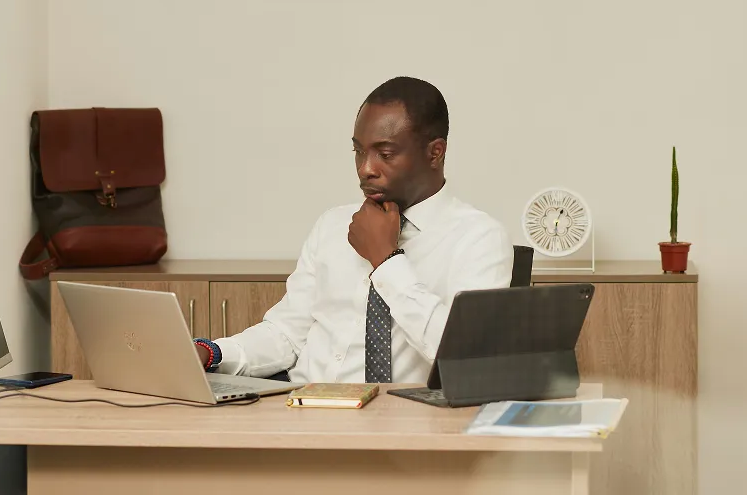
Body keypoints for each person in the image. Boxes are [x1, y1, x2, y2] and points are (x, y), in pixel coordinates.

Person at [192, 76, 513, 384]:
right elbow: (287, 334)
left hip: (405, 425)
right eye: (359, 151)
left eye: (385, 154)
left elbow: (469, 357)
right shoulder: (332, 225)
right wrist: (214, 353)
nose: (365, 169)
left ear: (435, 152)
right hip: (302, 411)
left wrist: (387, 262)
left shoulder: (479, 238)